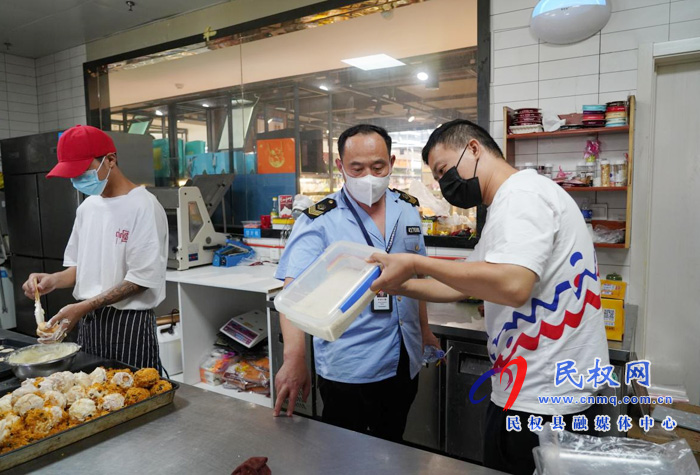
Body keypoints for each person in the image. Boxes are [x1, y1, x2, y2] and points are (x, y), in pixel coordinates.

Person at [369, 120, 609, 474]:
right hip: (537, 396)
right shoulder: (510, 203)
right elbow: (462, 284)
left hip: (541, 404)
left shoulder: (522, 195)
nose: (443, 185)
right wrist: (396, 283)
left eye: (443, 171)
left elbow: (512, 285)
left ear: (474, 148)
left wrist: (418, 262)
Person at [273, 124, 440, 443]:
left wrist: (426, 331)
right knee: (345, 454)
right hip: (350, 363)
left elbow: (416, 279)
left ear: (391, 162)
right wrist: (294, 358)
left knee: (393, 444)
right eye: (357, 168)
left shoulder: (408, 210)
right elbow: (293, 295)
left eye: (378, 167)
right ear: (340, 167)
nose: (369, 176)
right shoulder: (319, 220)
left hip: (404, 357)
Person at [21, 125, 168, 371]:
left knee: (136, 394)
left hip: (128, 323)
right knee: (93, 396)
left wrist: (82, 307)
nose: (77, 180)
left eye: (82, 171)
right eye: (72, 174)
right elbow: (82, 268)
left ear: (110, 160)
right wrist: (53, 280)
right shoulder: (88, 208)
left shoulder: (144, 206)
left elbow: (141, 279)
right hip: (89, 322)